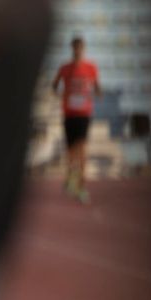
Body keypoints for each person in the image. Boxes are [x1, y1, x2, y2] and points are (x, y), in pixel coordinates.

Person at [52, 35, 102, 203]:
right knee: (71, 150)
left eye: (80, 48)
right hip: (68, 114)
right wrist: (61, 95)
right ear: (71, 49)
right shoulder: (64, 68)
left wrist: (96, 94)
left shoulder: (91, 68)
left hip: (83, 114)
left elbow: (97, 87)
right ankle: (70, 178)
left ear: (83, 49)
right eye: (75, 48)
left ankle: (81, 186)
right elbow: (54, 85)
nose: (77, 51)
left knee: (81, 149)